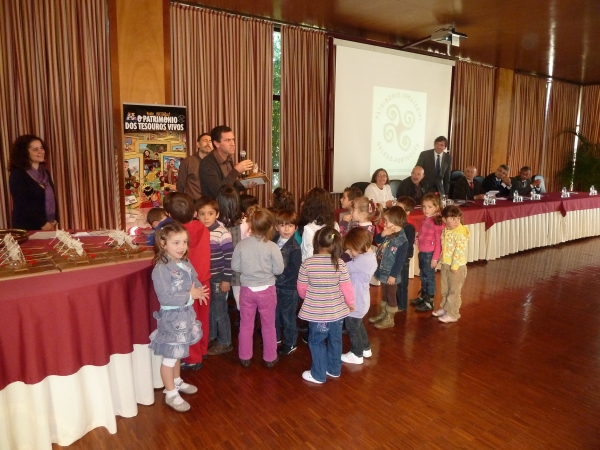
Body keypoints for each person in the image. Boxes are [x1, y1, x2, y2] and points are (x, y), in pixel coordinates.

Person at [148, 221, 208, 412]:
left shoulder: (185, 261)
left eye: (184, 242)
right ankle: (171, 394)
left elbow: (194, 277)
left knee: (178, 354)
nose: (181, 247)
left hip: (185, 315)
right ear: (163, 244)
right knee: (169, 358)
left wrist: (198, 288)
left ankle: (177, 381)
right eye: (176, 242)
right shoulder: (160, 269)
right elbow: (165, 296)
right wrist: (191, 295)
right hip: (172, 319)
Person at [297, 227, 355, 384]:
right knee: (335, 339)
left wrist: (307, 298)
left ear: (316, 242)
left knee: (317, 341)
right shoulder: (340, 263)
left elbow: (301, 288)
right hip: (337, 312)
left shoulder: (307, 264)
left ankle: (318, 374)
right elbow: (347, 287)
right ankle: (334, 369)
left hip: (317, 313)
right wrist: (350, 303)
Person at [231, 208, 284, 367]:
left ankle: (245, 356)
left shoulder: (241, 245)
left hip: (247, 290)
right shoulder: (272, 247)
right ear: (270, 227)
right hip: (267, 290)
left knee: (246, 324)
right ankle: (270, 357)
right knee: (268, 325)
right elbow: (279, 270)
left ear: (251, 225)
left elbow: (235, 266)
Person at [168, 193, 212, 370]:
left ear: (170, 216)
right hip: (204, 281)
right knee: (201, 318)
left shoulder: (174, 236)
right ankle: (201, 350)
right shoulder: (203, 228)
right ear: (194, 212)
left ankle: (193, 358)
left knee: (187, 322)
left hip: (186, 286)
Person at [196, 196, 234, 356]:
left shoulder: (222, 233)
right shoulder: (199, 230)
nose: (206, 217)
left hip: (219, 277)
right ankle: (211, 336)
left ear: (217, 215)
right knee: (209, 308)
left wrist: (226, 279)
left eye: (210, 213)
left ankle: (225, 341)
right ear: (196, 214)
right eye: (202, 213)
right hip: (206, 277)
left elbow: (229, 258)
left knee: (219, 310)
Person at [340, 227, 377, 364]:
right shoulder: (368, 255)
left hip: (356, 302)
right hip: (361, 300)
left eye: (352, 249)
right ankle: (365, 347)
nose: (351, 252)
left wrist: (345, 254)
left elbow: (342, 266)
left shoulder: (363, 260)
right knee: (358, 325)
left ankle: (356, 354)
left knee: (352, 327)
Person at [369, 206, 409, 329]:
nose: (384, 223)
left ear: (396, 222)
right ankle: (384, 313)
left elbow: (399, 261)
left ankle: (390, 319)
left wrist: (393, 275)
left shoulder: (402, 240)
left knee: (391, 295)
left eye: (387, 221)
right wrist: (383, 233)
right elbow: (375, 240)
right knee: (385, 294)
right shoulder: (388, 233)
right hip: (383, 270)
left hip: (392, 273)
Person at [9, 135, 58, 230]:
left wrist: (55, 219)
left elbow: (52, 198)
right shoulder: (18, 174)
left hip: (48, 226)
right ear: (24, 153)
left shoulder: (45, 173)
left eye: (41, 148)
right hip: (27, 228)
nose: (41, 152)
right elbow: (22, 205)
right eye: (35, 149)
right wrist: (43, 224)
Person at [272, 209, 302, 356]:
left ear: (295, 228)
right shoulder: (272, 242)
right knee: (274, 314)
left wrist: (277, 278)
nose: (286, 229)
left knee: (288, 316)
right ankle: (275, 338)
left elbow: (293, 270)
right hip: (273, 286)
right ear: (277, 226)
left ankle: (290, 343)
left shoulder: (295, 248)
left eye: (290, 226)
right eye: (283, 225)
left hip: (288, 288)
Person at [433, 205, 470, 323]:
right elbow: (445, 247)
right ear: (444, 219)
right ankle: (445, 308)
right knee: (445, 289)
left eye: (458, 218)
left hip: (456, 267)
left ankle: (453, 313)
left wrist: (455, 266)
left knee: (454, 291)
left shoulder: (461, 232)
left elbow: (459, 250)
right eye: (453, 218)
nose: (456, 221)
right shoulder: (446, 230)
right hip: (446, 264)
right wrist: (441, 260)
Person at [199, 125, 255, 199]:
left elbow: (230, 185)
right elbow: (218, 191)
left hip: (231, 207)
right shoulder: (207, 163)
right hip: (216, 209)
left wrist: (244, 186)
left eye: (233, 139)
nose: (233, 144)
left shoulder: (228, 159)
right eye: (228, 140)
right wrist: (236, 171)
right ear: (216, 143)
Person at [412, 193, 444, 312]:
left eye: (430, 207)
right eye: (424, 206)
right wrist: (418, 238)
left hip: (430, 254)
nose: (426, 210)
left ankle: (429, 301)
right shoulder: (426, 219)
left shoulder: (437, 221)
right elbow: (422, 233)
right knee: (423, 275)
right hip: (423, 252)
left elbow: (438, 243)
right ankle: (423, 296)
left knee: (429, 277)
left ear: (437, 207)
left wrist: (435, 258)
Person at [216, 185, 244, 309]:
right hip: (240, 266)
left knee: (222, 302)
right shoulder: (244, 221)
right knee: (241, 303)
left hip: (221, 266)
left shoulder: (216, 224)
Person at [298, 187, 340, 261]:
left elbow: (308, 256)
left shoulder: (308, 228)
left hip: (313, 268)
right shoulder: (335, 225)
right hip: (333, 265)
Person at [394, 197, 416, 311]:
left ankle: (402, 305)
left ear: (407, 212)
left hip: (402, 259)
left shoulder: (408, 227)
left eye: (399, 208)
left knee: (402, 283)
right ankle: (396, 302)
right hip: (395, 258)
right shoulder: (396, 224)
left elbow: (408, 245)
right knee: (396, 282)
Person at [176, 133, 212, 200]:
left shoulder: (216, 164)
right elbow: (180, 186)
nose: (208, 143)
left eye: (210, 141)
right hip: (192, 204)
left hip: (211, 204)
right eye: (205, 141)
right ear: (198, 144)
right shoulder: (188, 162)